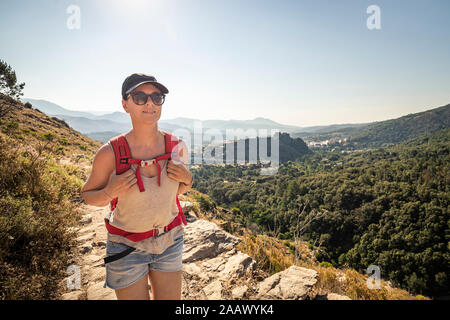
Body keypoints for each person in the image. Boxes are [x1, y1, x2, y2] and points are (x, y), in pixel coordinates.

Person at [80, 73, 193, 300]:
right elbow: (88, 196)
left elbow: (175, 191)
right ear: (125, 104)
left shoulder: (176, 147)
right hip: (126, 248)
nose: (150, 103)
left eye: (156, 97)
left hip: (169, 241)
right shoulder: (110, 152)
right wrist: (109, 191)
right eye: (140, 97)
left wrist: (188, 180)